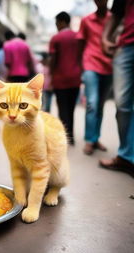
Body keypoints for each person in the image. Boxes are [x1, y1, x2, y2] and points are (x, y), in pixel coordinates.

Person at [100, 0, 134, 174]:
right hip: (127, 46)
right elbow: (116, 13)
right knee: (122, 105)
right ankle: (126, 156)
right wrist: (105, 38)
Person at [77, 0, 112, 154]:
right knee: (92, 103)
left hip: (109, 66)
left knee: (100, 106)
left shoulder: (114, 19)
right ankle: (89, 140)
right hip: (90, 64)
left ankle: (95, 138)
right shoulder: (86, 20)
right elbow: (80, 45)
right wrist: (81, 67)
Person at [49, 12, 81, 145]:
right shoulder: (78, 37)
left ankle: (65, 136)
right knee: (71, 108)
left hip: (60, 79)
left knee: (63, 109)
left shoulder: (56, 38)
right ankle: (71, 136)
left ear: (62, 22)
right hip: (75, 78)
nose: (56, 26)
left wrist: (51, 76)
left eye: (57, 23)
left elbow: (53, 60)